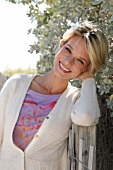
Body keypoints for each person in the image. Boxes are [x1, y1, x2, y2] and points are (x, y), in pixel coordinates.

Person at [0, 21, 109, 170]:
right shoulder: (16, 84)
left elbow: (87, 117)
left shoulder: (74, 99)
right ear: (61, 45)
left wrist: (89, 78)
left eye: (80, 60)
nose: (68, 61)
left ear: (87, 68)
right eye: (68, 50)